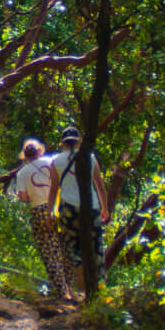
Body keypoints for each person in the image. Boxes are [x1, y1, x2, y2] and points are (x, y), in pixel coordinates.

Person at [0, 137, 74, 299]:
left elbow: (23, 197)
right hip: (60, 207)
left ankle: (62, 291)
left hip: (39, 211)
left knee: (49, 250)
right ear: (40, 151)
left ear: (25, 155)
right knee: (67, 247)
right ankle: (69, 286)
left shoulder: (22, 173)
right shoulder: (51, 161)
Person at [48, 127, 111, 298]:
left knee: (75, 251)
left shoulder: (55, 161)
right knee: (96, 247)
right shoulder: (90, 158)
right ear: (79, 141)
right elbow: (100, 186)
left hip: (68, 208)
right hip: (91, 207)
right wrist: (105, 208)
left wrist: (49, 211)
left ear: (63, 142)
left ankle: (83, 292)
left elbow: (54, 188)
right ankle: (99, 293)